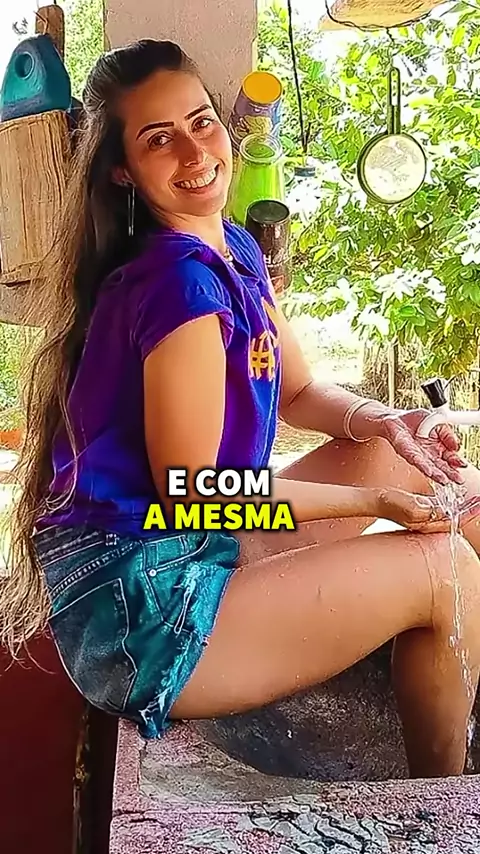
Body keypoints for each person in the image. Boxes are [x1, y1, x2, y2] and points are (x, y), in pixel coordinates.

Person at [2, 39, 480, 780]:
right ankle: (445, 810)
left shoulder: (229, 246)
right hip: (142, 607)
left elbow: (301, 392)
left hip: (194, 541)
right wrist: (373, 502)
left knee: (422, 454)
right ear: (123, 168)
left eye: (201, 122)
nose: (194, 151)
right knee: (443, 568)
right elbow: (193, 492)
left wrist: (385, 424)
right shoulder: (178, 288)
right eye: (159, 138)